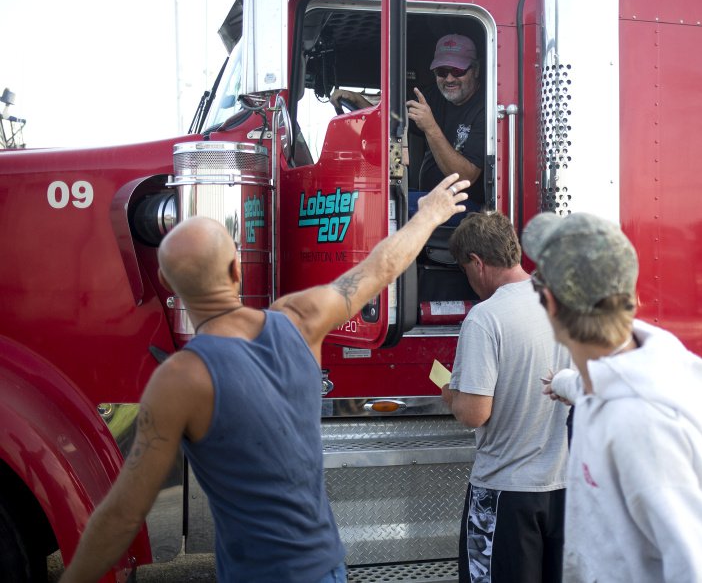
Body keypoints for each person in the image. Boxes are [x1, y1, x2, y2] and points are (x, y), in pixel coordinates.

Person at [59, 175, 472, 583]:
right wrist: (428, 216)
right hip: (327, 567)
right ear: (237, 270)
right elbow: (379, 267)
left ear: (169, 284)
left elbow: (125, 513)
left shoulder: (180, 380)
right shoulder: (301, 318)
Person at [522, 212, 702, 583]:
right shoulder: (613, 380)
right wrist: (563, 382)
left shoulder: (639, 425)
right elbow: (592, 389)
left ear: (551, 303)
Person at [441, 211, 572, 583]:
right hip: (564, 489)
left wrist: (450, 393)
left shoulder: (486, 317)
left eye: (466, 271)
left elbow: (474, 413)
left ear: (477, 263)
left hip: (505, 492)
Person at [408, 33, 486, 205]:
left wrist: (430, 127)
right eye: (442, 71)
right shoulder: (432, 96)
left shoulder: (486, 108)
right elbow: (394, 118)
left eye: (458, 71)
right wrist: (360, 102)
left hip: (467, 207)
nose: (449, 79)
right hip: (430, 197)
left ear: (476, 70)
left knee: (395, 207)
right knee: (391, 198)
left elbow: (465, 178)